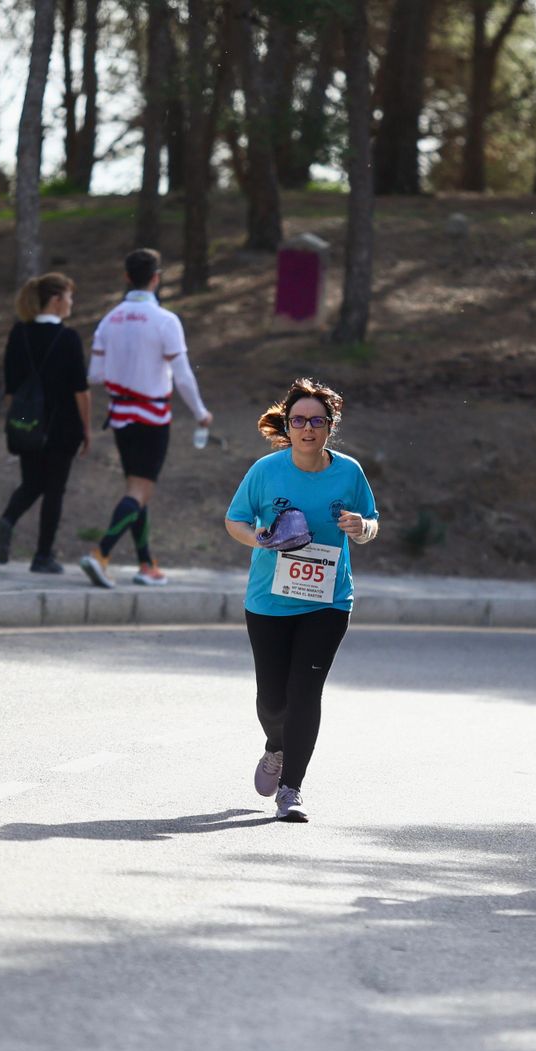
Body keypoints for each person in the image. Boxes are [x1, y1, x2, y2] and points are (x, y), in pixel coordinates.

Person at [224, 379, 379, 823]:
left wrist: (359, 527)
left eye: (317, 421)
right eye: (298, 421)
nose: (307, 428)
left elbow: (372, 523)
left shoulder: (349, 472)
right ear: (287, 426)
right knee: (272, 700)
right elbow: (235, 520)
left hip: (328, 601)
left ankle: (291, 789)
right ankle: (276, 745)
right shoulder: (266, 471)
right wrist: (260, 538)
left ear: (330, 426)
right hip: (269, 600)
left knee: (305, 693)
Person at [79, 249, 212, 589]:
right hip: (153, 417)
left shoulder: (109, 320)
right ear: (156, 278)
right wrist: (200, 412)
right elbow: (182, 376)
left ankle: (145, 564)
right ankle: (101, 553)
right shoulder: (165, 321)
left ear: (127, 278)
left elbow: (94, 374)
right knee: (140, 490)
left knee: (136, 490)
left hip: (121, 416)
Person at [0, 272, 92, 573]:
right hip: (63, 427)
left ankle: (7, 520)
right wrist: (86, 428)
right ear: (57, 300)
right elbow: (80, 391)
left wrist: (19, 422)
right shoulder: (69, 338)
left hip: (27, 424)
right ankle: (43, 555)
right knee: (54, 490)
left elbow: (10, 390)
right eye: (69, 297)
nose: (72, 303)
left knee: (32, 481)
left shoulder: (18, 334)